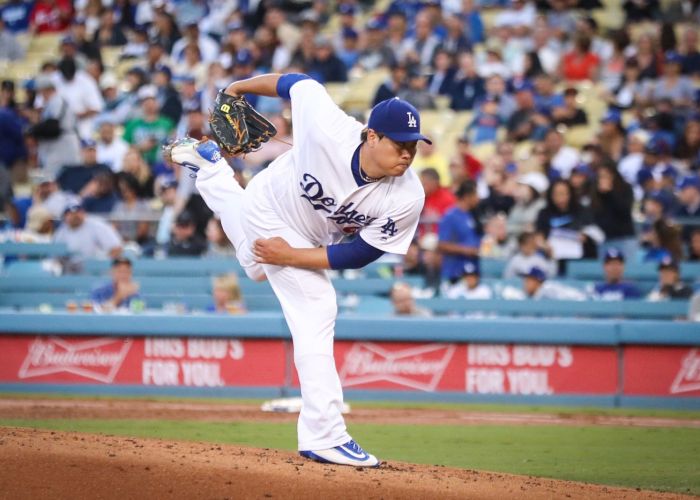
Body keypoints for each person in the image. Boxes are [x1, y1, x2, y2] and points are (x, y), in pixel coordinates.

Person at [165, 74, 429, 468]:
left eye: (413, 146)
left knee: (256, 268)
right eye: (399, 143)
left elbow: (360, 253)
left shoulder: (407, 195)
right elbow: (298, 83)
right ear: (371, 136)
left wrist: (290, 256)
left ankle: (210, 169)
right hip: (269, 203)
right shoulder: (328, 126)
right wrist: (237, 88)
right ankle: (325, 434)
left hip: (303, 235)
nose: (407, 154)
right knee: (317, 306)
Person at [437, 179, 481, 286]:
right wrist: (467, 250)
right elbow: (442, 245)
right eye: (475, 194)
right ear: (467, 196)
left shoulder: (473, 215)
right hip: (454, 272)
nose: (478, 198)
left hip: (473, 270)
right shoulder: (450, 216)